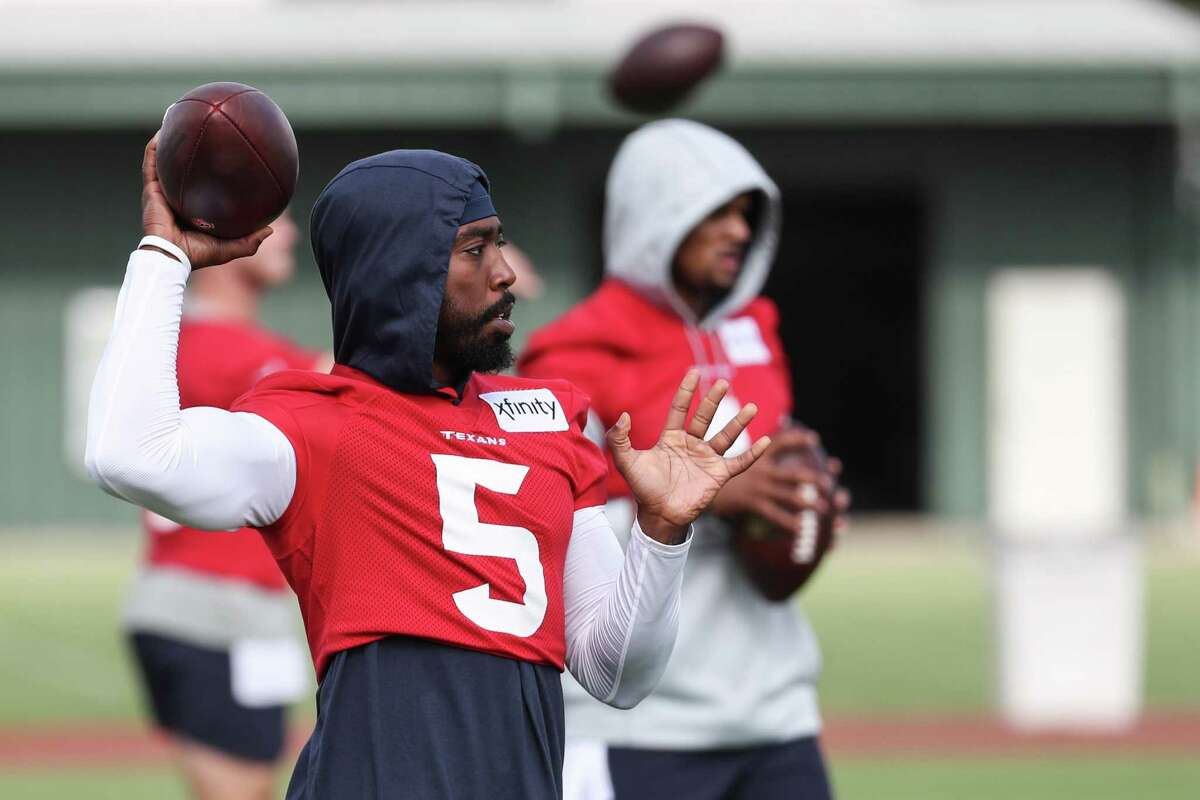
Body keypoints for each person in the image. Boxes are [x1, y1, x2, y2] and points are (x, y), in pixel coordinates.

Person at [85, 136, 771, 799]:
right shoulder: (312, 425)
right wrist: (164, 256)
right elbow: (127, 455)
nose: (504, 272)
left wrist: (659, 534)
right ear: (397, 267)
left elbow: (618, 674)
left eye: (498, 241)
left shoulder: (549, 417)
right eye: (474, 248)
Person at [520, 119, 849, 800]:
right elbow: (549, 533)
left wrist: (800, 512)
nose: (737, 230)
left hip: (773, 710)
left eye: (746, 213)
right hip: (641, 725)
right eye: (715, 212)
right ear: (655, 214)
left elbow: (771, 492)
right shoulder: (574, 352)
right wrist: (707, 499)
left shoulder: (757, 327)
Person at [121, 209, 328, 800]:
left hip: (196, 605)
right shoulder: (231, 351)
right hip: (219, 613)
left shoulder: (176, 345)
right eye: (273, 221)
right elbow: (362, 390)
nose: (288, 234)